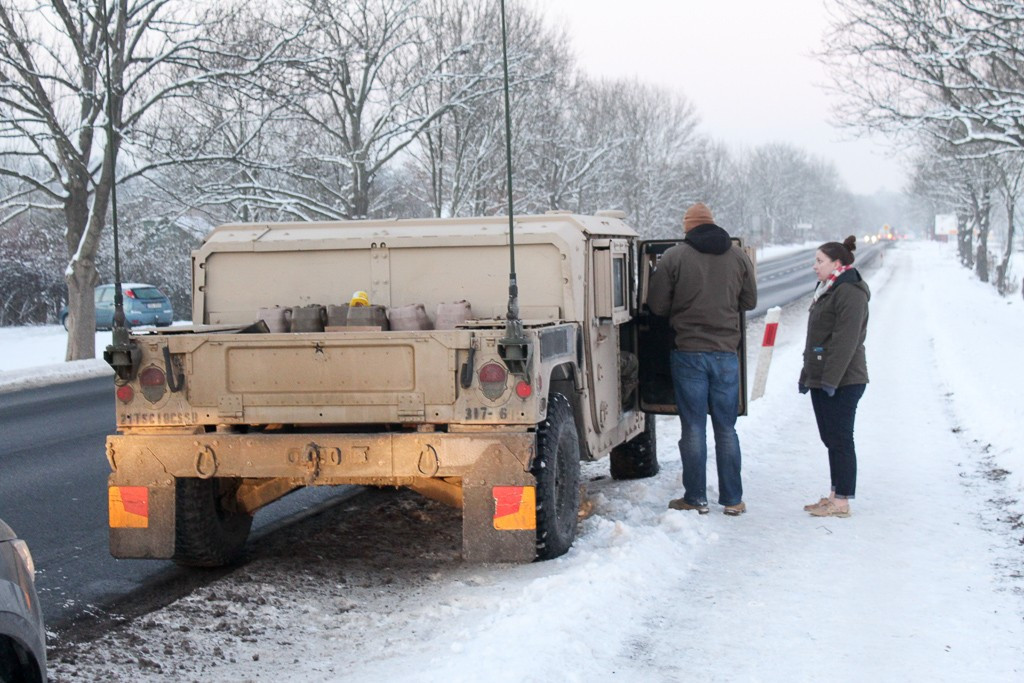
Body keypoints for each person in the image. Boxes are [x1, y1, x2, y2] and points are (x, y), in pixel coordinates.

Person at [647, 203, 757, 516]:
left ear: (688, 227)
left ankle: (695, 498)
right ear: (712, 224)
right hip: (726, 353)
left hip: (689, 353)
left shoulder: (674, 257)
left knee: (693, 428)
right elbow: (750, 300)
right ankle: (733, 499)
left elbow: (656, 305)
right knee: (726, 428)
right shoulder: (738, 256)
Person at [799, 236, 870, 518]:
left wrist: (830, 380)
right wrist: (808, 375)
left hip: (845, 378)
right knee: (830, 438)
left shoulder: (850, 291)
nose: (814, 266)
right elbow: (816, 337)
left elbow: (845, 341)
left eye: (819, 261)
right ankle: (833, 494)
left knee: (840, 438)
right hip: (824, 376)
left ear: (837, 263)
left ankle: (841, 502)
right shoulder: (828, 287)